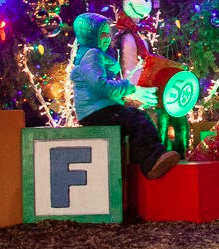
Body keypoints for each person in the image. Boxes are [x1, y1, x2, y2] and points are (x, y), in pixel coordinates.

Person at [69, 12, 180, 180]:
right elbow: (101, 86)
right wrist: (130, 88)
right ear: (92, 35)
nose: (108, 37)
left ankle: (139, 162)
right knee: (136, 120)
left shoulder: (89, 56)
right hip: (96, 112)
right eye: (103, 33)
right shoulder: (92, 55)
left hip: (98, 110)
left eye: (108, 33)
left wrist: (125, 99)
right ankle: (151, 160)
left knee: (134, 116)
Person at [114, 0, 191, 158]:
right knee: (161, 118)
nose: (145, 3)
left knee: (179, 116)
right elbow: (127, 72)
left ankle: (179, 157)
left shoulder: (141, 37)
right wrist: (136, 93)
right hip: (128, 98)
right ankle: (156, 160)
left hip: (147, 94)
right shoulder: (126, 37)